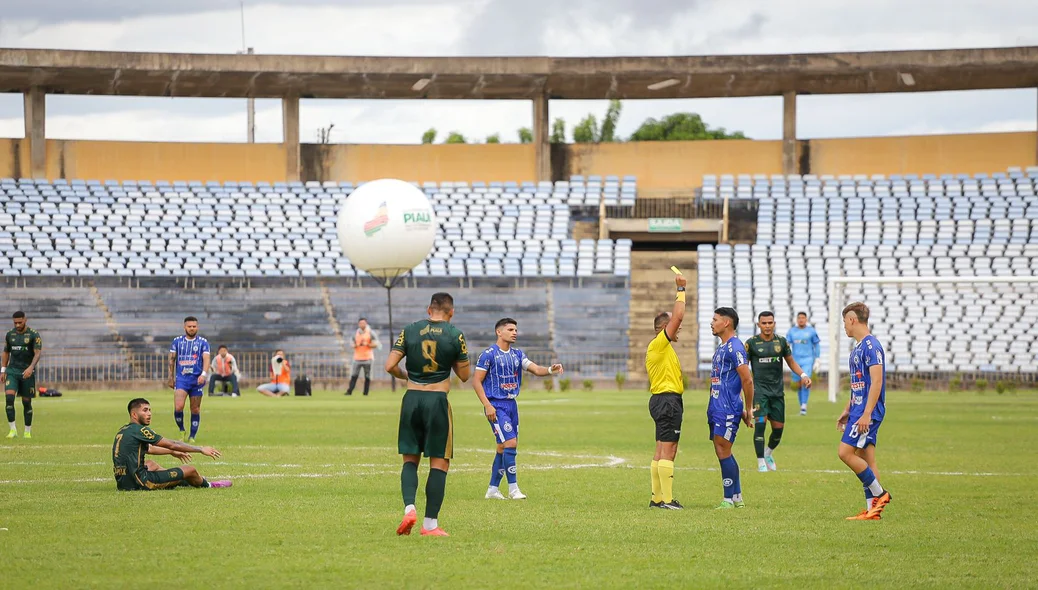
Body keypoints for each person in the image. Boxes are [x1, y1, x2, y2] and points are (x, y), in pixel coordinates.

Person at [385, 292, 470, 537]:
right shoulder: (455, 335)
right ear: (451, 312)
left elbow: (390, 366)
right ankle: (430, 525)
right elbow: (464, 376)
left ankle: (409, 507)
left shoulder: (409, 330)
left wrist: (405, 376)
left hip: (411, 399)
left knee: (410, 459)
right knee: (439, 462)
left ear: (428, 309)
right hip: (437, 401)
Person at [473, 318, 563, 501]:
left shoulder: (517, 354)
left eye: (516, 329)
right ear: (499, 332)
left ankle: (492, 489)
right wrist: (487, 405)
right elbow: (476, 381)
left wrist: (550, 370)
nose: (515, 332)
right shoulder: (488, 354)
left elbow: (536, 369)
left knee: (502, 446)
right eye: (510, 329)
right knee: (511, 443)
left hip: (512, 405)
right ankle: (513, 489)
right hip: (496, 405)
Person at [837, 302, 893, 520]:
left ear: (852, 319)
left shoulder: (871, 346)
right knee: (866, 458)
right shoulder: (858, 348)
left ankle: (880, 494)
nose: (844, 327)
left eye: (844, 322)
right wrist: (847, 409)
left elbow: (877, 381)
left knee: (845, 453)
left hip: (867, 412)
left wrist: (867, 413)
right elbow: (859, 384)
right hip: (858, 410)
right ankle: (873, 511)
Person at [113, 397, 231, 491]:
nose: (149, 414)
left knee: (150, 464)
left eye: (150, 410)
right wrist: (200, 449)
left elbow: (150, 449)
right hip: (140, 482)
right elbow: (172, 444)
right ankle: (208, 485)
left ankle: (181, 478)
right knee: (190, 469)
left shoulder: (124, 429)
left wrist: (172, 452)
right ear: (134, 414)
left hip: (123, 482)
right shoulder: (141, 430)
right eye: (145, 410)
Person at [745, 311, 812, 473]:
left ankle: (768, 453)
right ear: (758, 325)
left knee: (778, 429)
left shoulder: (781, 342)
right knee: (760, 425)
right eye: (764, 323)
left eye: (770, 323)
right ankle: (760, 461)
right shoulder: (751, 343)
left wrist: (803, 375)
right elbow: (743, 367)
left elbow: (791, 362)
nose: (767, 326)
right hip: (760, 391)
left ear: (774, 324)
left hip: (777, 392)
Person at [645, 272, 688, 510]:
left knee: (661, 447)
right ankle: (668, 500)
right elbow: (679, 315)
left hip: (662, 400)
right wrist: (681, 289)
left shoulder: (660, 348)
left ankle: (657, 498)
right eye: (673, 325)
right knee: (669, 449)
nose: (678, 327)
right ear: (664, 327)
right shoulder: (660, 343)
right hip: (668, 401)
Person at [708, 307, 754, 509]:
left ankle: (728, 499)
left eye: (715, 319)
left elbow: (747, 380)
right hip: (718, 406)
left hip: (726, 408)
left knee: (723, 449)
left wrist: (749, 409)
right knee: (723, 449)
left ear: (726, 323)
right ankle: (736, 497)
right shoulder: (722, 348)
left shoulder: (735, 347)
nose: (712, 322)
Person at [167, 316, 210, 442]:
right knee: (178, 407)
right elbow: (171, 360)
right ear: (184, 327)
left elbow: (206, 359)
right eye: (189, 326)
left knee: (195, 408)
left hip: (197, 380)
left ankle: (192, 436)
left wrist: (203, 374)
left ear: (197, 327)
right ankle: (181, 430)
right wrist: (170, 377)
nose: (192, 328)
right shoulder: (177, 342)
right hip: (182, 379)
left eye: (194, 326)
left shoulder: (203, 342)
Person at [3, 311, 42, 439]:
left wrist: (31, 367)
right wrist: (3, 370)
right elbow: (6, 352)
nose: (18, 325)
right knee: (9, 399)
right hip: (12, 371)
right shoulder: (10, 335)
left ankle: (27, 431)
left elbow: (37, 353)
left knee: (26, 402)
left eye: (20, 322)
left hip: (26, 372)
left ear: (25, 320)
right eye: (15, 323)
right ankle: (12, 430)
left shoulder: (34, 335)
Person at [787, 312, 821, 415]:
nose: (801, 320)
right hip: (795, 360)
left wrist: (817, 358)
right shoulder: (792, 331)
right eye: (799, 318)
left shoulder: (811, 331)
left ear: (806, 319)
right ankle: (801, 405)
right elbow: (787, 345)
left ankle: (804, 406)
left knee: (805, 381)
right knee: (798, 384)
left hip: (807, 359)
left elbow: (816, 344)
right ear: (797, 320)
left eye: (803, 318)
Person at [346, 318, 381, 396]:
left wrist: (368, 344)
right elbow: (351, 344)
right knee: (354, 375)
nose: (362, 324)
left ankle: (366, 392)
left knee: (367, 376)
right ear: (359, 324)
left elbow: (377, 344)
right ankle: (349, 391)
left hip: (368, 358)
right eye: (360, 323)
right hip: (357, 358)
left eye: (363, 323)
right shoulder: (355, 333)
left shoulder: (371, 333)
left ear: (366, 323)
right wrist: (355, 345)